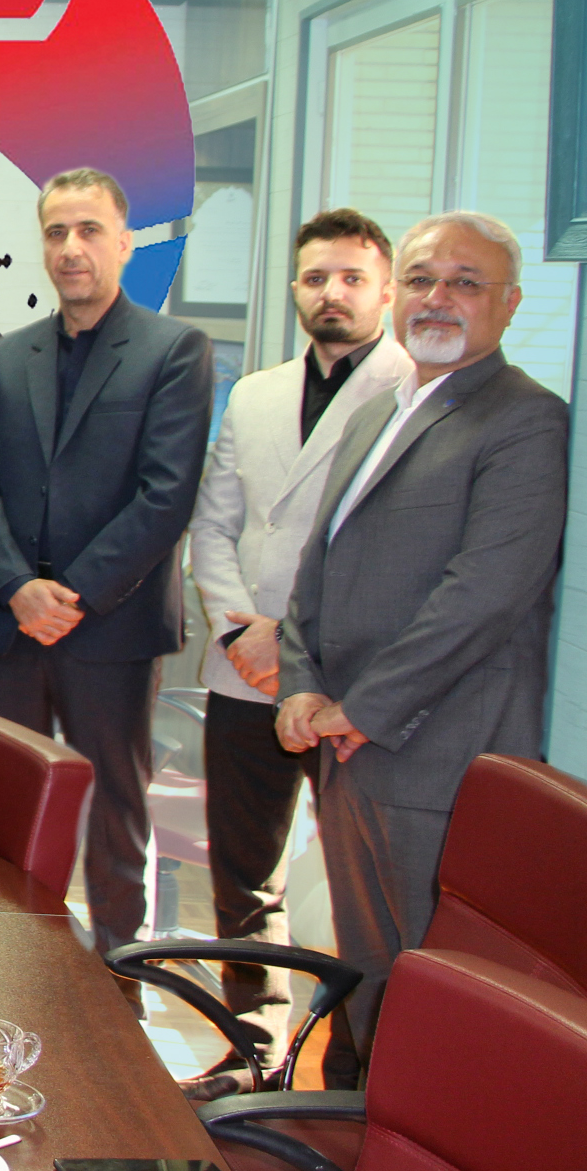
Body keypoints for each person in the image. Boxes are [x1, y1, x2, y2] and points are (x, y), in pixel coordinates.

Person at [276, 210, 567, 1073]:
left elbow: (483, 596)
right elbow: (317, 569)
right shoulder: (378, 412)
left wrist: (362, 709)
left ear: (510, 303)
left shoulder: (527, 421)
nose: (439, 298)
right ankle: (354, 1123)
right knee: (368, 985)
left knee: (436, 1003)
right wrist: (300, 682)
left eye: (465, 282)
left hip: (437, 764)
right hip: (350, 758)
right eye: (422, 279)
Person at [182, 208, 410, 1097]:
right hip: (244, 667)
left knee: (360, 887)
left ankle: (354, 1071)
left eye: (352, 278)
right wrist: (239, 629)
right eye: (317, 277)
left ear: (385, 291)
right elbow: (215, 522)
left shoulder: (410, 391)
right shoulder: (255, 393)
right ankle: (252, 1051)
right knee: (244, 876)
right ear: (295, 289)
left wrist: (292, 642)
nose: (332, 293)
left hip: (347, 680)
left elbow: (387, 552)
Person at [0, 167, 214, 960]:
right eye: (56, 232)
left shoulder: (174, 350)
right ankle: (9, 968)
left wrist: (69, 594)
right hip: (11, 630)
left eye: (89, 229)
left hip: (112, 628)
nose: (72, 247)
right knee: (6, 807)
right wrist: (17, 587)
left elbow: (165, 496)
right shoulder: (12, 353)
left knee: (113, 817)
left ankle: (118, 976)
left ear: (125, 242)